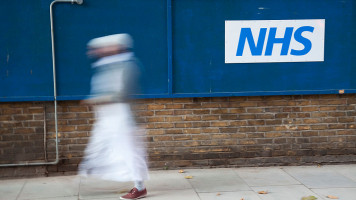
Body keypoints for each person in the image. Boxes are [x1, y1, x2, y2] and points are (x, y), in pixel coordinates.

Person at [78, 33, 149, 200]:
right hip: (111, 118)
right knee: (110, 149)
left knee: (131, 152)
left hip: (126, 118)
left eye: (105, 47)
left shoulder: (128, 65)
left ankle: (140, 187)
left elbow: (123, 93)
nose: (99, 51)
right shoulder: (107, 66)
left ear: (116, 47)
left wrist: (97, 100)